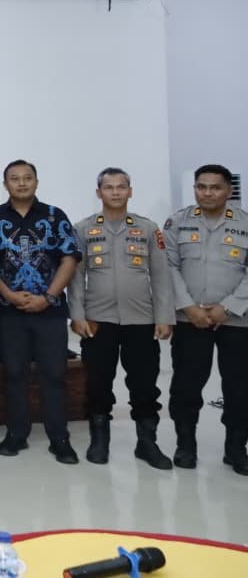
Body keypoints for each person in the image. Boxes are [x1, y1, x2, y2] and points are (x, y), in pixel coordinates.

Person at [0, 160, 81, 464]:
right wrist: (8, 294)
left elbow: (70, 259)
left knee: (54, 374)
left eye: (27, 178)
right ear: (5, 184)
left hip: (50, 312)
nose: (21, 183)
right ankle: (16, 433)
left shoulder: (55, 216)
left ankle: (59, 438)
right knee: (14, 374)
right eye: (15, 179)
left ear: (36, 181)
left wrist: (48, 297)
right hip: (9, 312)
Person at [70, 168, 174, 469]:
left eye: (121, 187)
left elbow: (161, 276)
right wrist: (77, 315)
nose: (115, 192)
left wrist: (164, 316)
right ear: (98, 192)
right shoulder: (83, 229)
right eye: (109, 187)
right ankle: (99, 441)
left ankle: (147, 443)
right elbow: (76, 278)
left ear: (130, 191)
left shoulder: (148, 228)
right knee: (98, 383)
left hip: (141, 319)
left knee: (144, 385)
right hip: (98, 320)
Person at [164, 164, 248, 475]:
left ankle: (236, 449)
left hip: (237, 321)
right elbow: (168, 267)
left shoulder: (245, 223)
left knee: (240, 388)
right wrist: (188, 307)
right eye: (201, 187)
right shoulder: (177, 222)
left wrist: (228, 307)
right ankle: (186, 445)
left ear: (228, 190)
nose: (207, 193)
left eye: (215, 187)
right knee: (186, 385)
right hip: (190, 320)